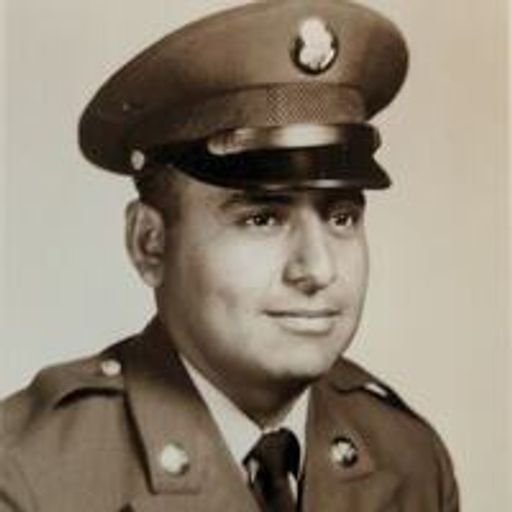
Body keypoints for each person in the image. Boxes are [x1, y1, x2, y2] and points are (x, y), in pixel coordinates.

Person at [0, 1, 459, 510]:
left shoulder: (410, 458)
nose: (318, 269)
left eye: (342, 217)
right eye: (262, 219)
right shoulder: (29, 475)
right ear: (150, 243)